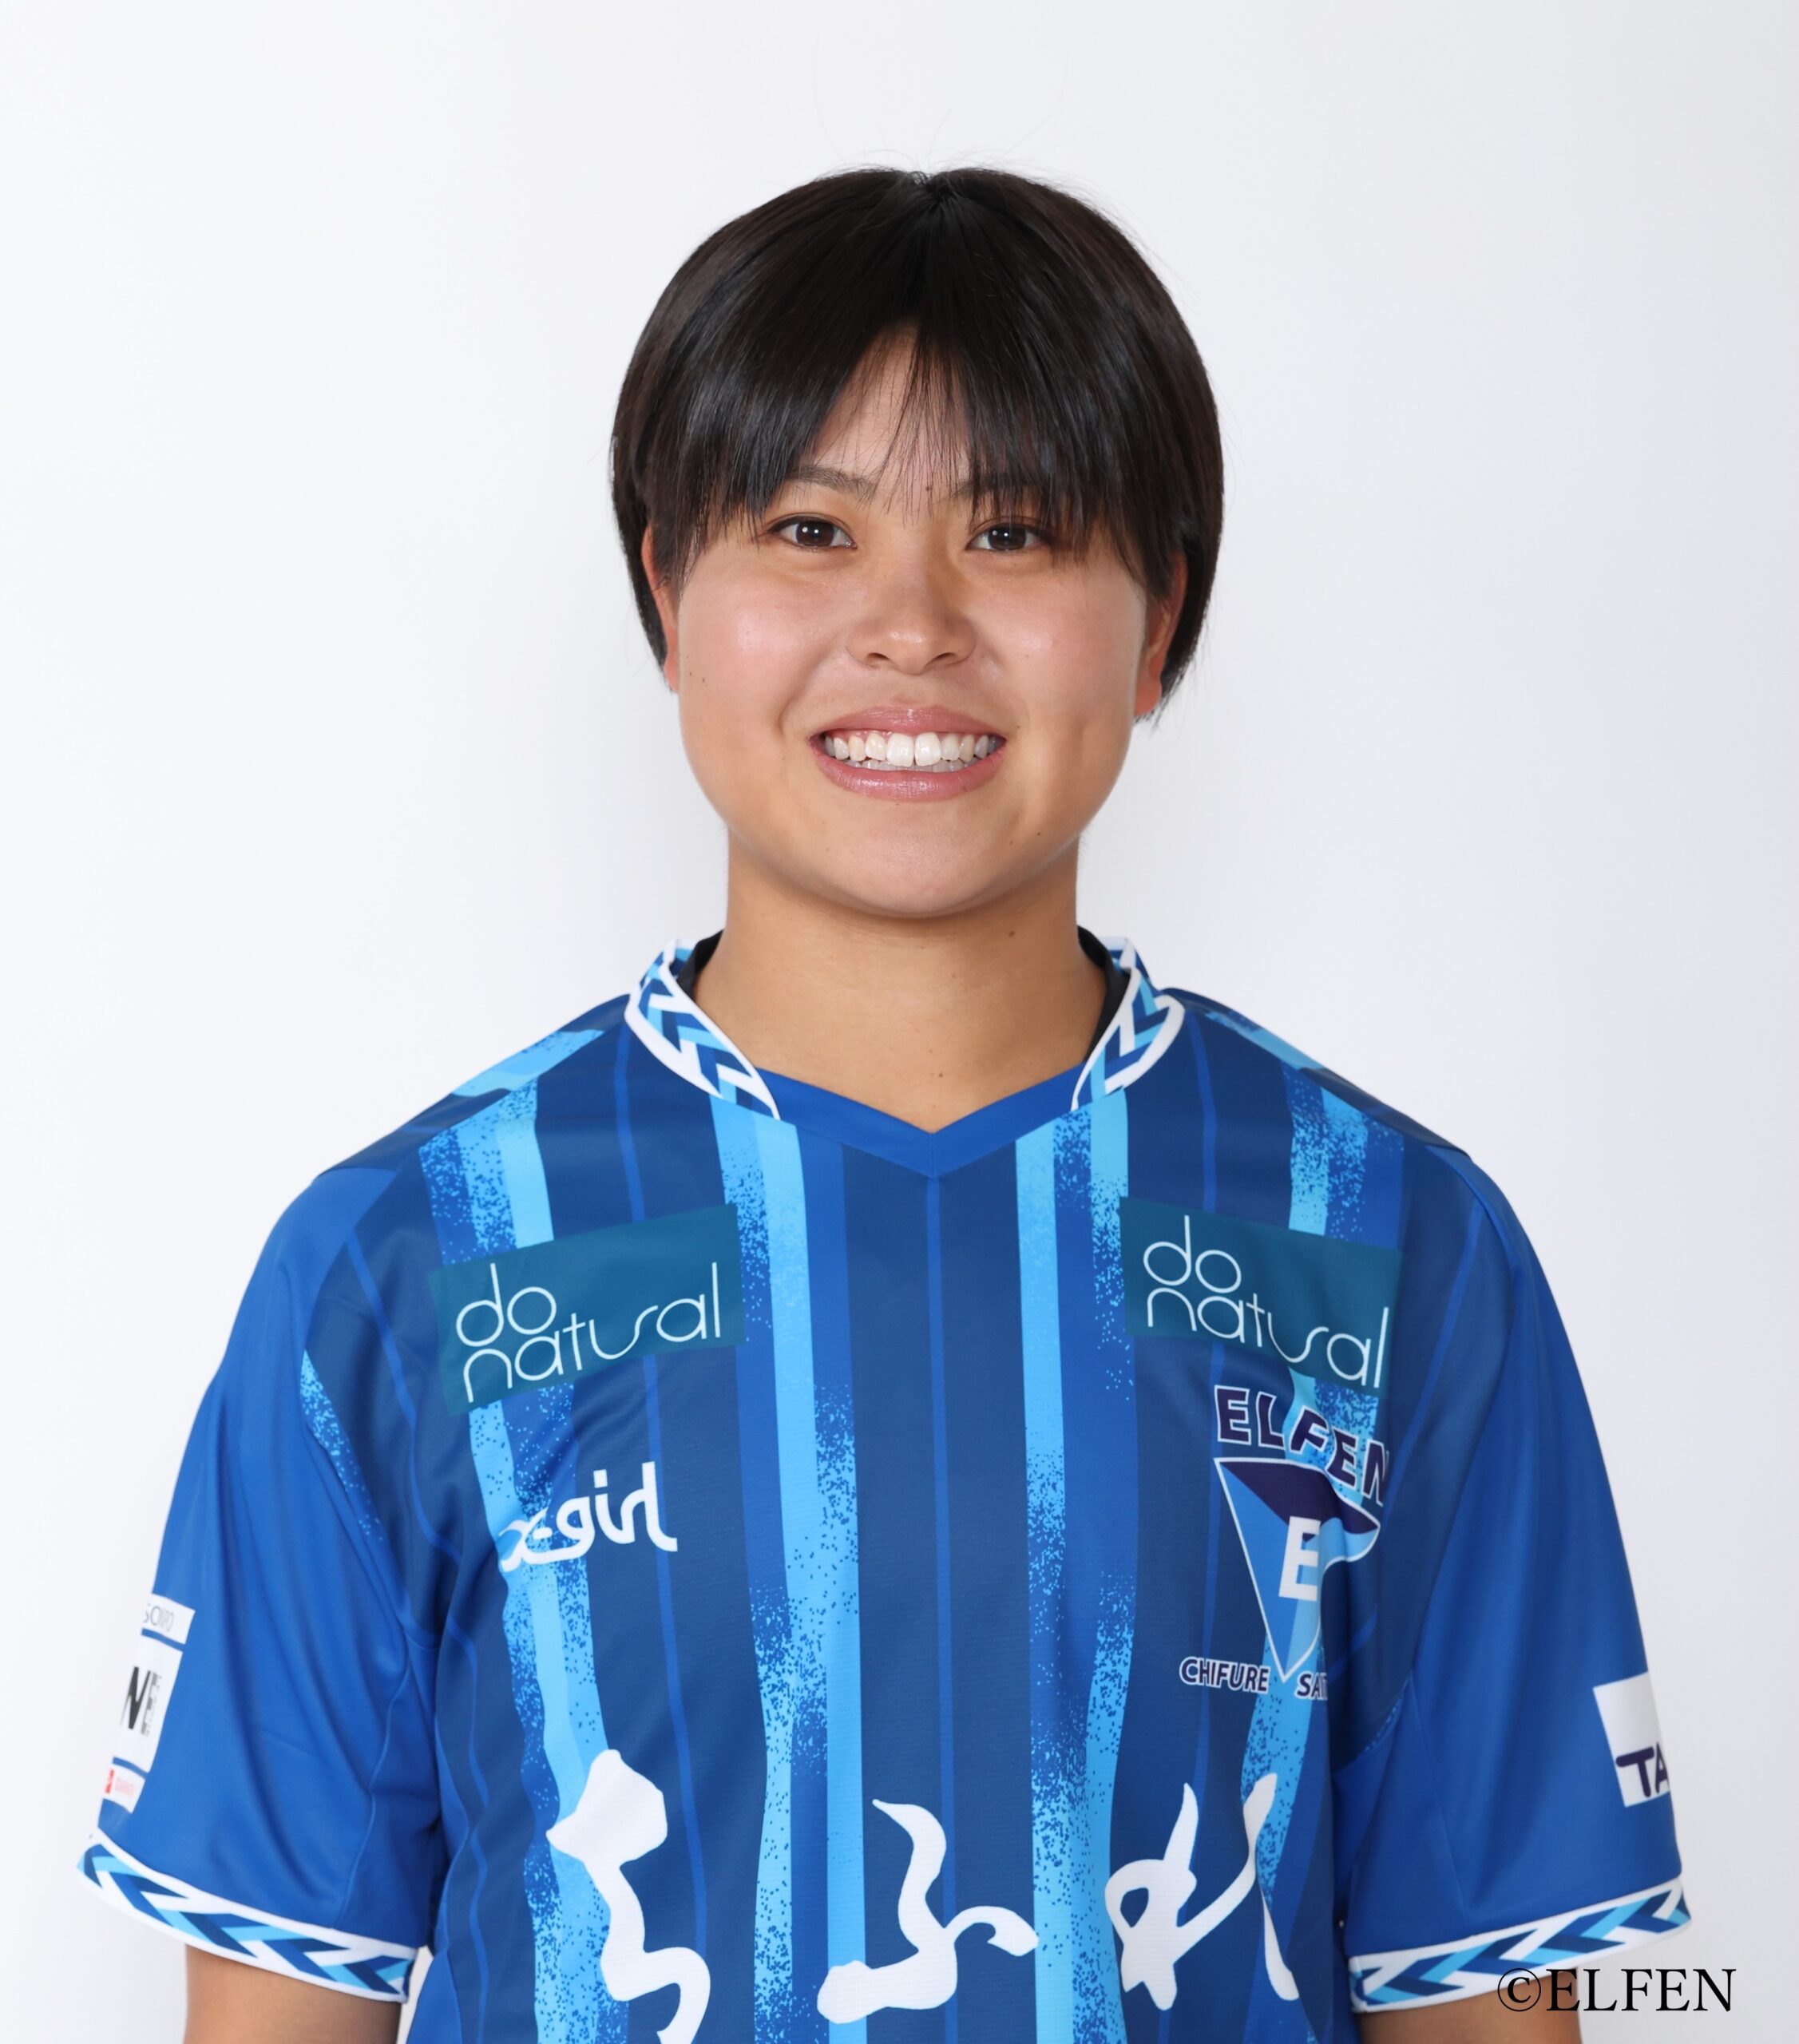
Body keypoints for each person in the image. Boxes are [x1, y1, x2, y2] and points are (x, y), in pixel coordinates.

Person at [81, 166, 1686, 2044]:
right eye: (808, 527)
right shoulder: (405, 1260)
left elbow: (1489, 1997)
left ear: (1156, 612)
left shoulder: (1387, 1240)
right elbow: (277, 2006)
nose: (910, 623)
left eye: (1012, 530)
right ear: (669, 591)